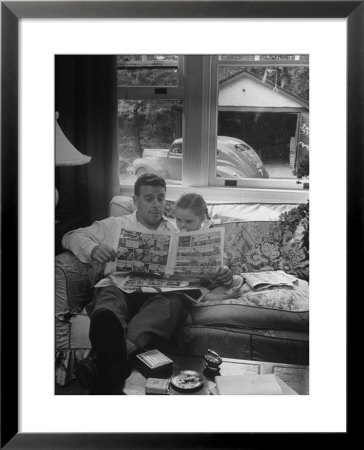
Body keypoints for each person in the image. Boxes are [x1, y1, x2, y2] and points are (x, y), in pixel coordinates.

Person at [62, 174, 233, 394]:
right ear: (135, 200)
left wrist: (222, 272)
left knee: (172, 302)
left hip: (160, 294)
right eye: (149, 199)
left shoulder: (177, 229)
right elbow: (70, 236)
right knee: (108, 297)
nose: (156, 205)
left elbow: (212, 263)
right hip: (122, 287)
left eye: (161, 199)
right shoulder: (115, 225)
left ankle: (104, 361)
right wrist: (94, 249)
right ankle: (114, 356)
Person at [174, 193, 243, 302]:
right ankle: (221, 297)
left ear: (201, 219)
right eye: (178, 220)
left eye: (188, 221)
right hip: (187, 284)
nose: (182, 225)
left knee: (238, 280)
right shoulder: (174, 236)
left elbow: (223, 260)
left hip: (209, 282)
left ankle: (213, 295)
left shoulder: (208, 236)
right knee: (191, 288)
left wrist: (223, 269)